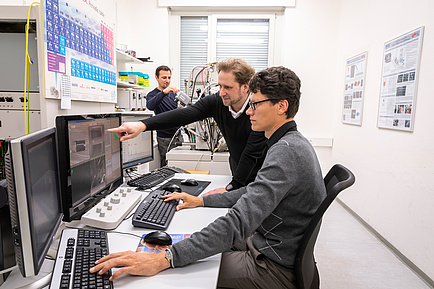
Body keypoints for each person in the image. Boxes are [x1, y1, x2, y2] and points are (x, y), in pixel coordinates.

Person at [92, 66, 327, 288]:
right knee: (186, 241)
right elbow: (252, 191)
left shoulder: (286, 152)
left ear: (281, 106)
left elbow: (238, 222)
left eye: (255, 105)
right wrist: (202, 201)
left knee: (176, 270)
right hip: (268, 244)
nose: (249, 111)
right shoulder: (291, 143)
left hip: (273, 267)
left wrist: (166, 259)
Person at [109, 58, 267, 194]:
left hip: (262, 179)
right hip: (237, 173)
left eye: (228, 87)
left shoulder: (257, 110)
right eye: (220, 86)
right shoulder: (218, 102)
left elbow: (251, 153)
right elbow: (185, 114)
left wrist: (233, 187)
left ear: (245, 87)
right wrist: (142, 125)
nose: (221, 92)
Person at [146, 65, 183, 167]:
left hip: (178, 136)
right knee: (167, 166)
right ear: (156, 78)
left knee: (181, 165)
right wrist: (164, 92)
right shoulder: (152, 94)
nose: (167, 80)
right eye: (164, 77)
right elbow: (150, 106)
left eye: (169, 77)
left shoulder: (173, 94)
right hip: (164, 138)